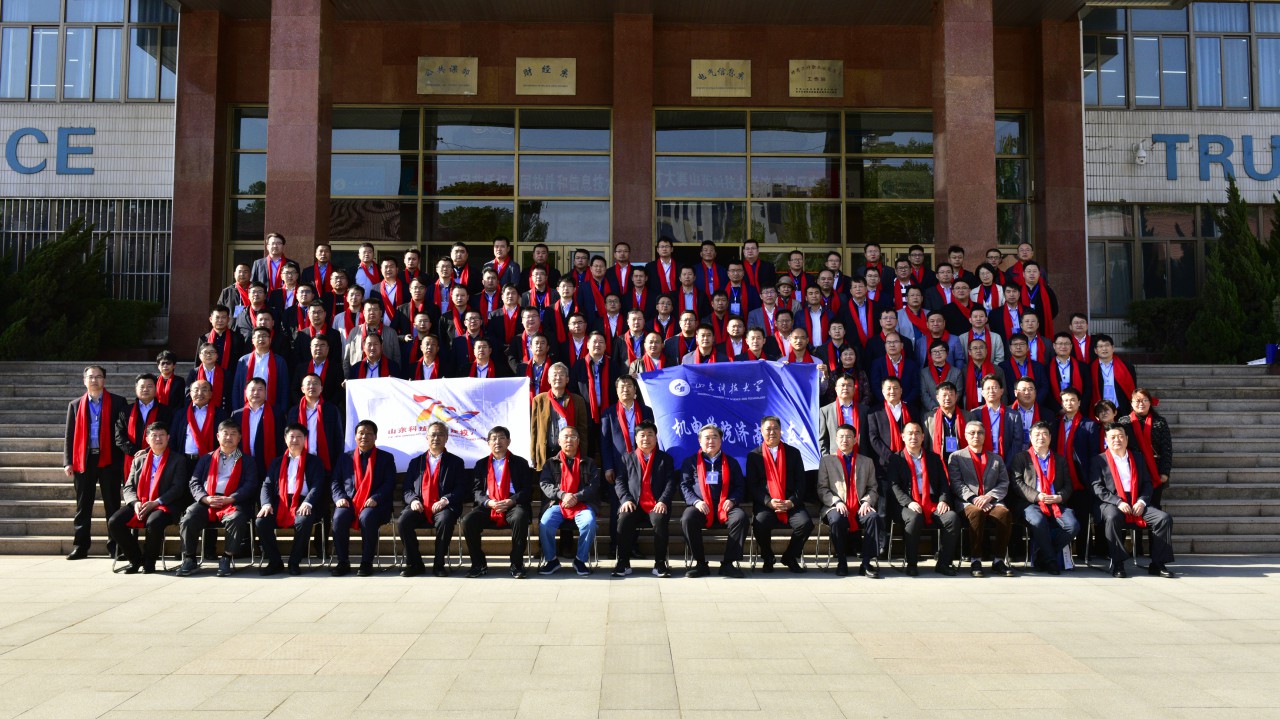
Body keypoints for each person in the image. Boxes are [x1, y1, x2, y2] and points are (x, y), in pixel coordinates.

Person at [1090, 424, 1176, 578]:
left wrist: (1142, 502)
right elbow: (1097, 488)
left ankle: (1157, 564)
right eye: (1113, 437)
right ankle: (1118, 564)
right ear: (1106, 440)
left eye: (1120, 436)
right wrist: (1118, 502)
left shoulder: (1138, 457)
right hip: (1111, 502)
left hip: (1136, 500)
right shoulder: (1098, 460)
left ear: (1127, 439)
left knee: (1164, 519)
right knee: (1113, 517)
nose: (1117, 440)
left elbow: (1147, 484)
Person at [107, 422, 191, 574]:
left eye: (162, 435)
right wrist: (135, 503)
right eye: (154, 436)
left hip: (165, 505)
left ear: (168, 438)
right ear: (147, 439)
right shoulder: (139, 460)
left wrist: (156, 502)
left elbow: (177, 488)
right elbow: (128, 487)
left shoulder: (178, 460)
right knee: (114, 522)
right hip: (140, 502)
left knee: (154, 522)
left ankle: (149, 561)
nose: (158, 439)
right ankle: (135, 559)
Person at [178, 420, 258, 577]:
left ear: (239, 438)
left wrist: (231, 498)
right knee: (189, 517)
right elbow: (194, 482)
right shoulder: (206, 458)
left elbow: (251, 484)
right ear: (218, 436)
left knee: (237, 518)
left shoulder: (248, 461)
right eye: (225, 433)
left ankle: (226, 558)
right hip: (207, 500)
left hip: (233, 502)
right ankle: (189, 558)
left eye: (233, 434)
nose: (229, 437)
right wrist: (204, 498)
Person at [64, 365, 127, 560]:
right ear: (84, 381)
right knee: (83, 506)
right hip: (84, 460)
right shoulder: (75, 404)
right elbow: (69, 435)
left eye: (98, 377)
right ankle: (81, 546)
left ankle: (115, 546)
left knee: (112, 505)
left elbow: (122, 431)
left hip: (109, 460)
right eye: (90, 377)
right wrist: (68, 461)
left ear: (104, 380)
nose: (94, 380)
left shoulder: (118, 402)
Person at [461, 426, 534, 578]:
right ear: (488, 443)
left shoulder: (520, 463)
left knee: (520, 517)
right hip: (489, 504)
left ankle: (516, 564)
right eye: (493, 439)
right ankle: (478, 564)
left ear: (508, 441)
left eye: (501, 438)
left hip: (512, 503)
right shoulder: (481, 464)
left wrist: (511, 500)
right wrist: (488, 502)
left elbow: (527, 489)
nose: (497, 442)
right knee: (468, 521)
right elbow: (476, 491)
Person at [398, 422, 469, 577]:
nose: (436, 438)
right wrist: (413, 500)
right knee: (403, 521)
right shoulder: (416, 462)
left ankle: (439, 565)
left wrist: (445, 500)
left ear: (446, 438)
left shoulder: (455, 462)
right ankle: (415, 564)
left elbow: (461, 488)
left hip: (443, 506)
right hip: (420, 506)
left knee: (445, 520)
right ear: (427, 437)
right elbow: (407, 489)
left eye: (440, 435)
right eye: (433, 435)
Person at [255, 423, 326, 575]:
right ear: (285, 439)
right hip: (280, 501)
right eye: (291, 436)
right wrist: (266, 504)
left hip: (303, 501)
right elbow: (266, 485)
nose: (295, 440)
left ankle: (294, 562)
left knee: (304, 521)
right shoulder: (277, 462)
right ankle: (275, 561)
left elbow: (318, 485)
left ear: (305, 439)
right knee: (261, 521)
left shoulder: (314, 461)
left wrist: (308, 502)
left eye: (299, 436)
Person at [888, 422, 959, 575]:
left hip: (932, 502)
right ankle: (912, 564)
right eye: (910, 433)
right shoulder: (895, 459)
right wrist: (909, 502)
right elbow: (895, 487)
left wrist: (943, 500)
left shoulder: (934, 458)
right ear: (903, 437)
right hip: (906, 503)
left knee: (951, 518)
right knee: (914, 518)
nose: (913, 436)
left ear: (923, 437)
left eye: (917, 433)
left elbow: (944, 483)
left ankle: (944, 563)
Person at [1008, 421, 1079, 574]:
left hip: (1055, 503)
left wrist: (1059, 497)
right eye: (1037, 434)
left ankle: (1043, 555)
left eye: (1044, 434)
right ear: (1030, 438)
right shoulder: (1021, 458)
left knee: (1072, 525)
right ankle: (1051, 561)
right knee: (1039, 521)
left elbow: (1068, 484)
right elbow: (1017, 483)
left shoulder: (1059, 459)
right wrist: (1037, 496)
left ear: (1050, 437)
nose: (1041, 437)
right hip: (1030, 502)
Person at [679, 424, 748, 578]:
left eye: (715, 437)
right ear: (700, 441)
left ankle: (728, 564)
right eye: (707, 438)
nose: (711, 441)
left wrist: (732, 500)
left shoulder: (731, 462)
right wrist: (696, 502)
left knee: (741, 518)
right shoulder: (690, 462)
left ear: (721, 440)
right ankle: (700, 564)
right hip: (701, 506)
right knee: (687, 518)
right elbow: (684, 486)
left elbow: (740, 486)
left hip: (725, 506)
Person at [330, 419, 397, 576]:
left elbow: (390, 483)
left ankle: (366, 562)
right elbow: (335, 481)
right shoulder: (345, 458)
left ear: (375, 437)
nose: (364, 436)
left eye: (369, 433)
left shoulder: (386, 458)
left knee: (367, 517)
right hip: (349, 502)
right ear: (355, 437)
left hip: (375, 504)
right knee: (339, 517)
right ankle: (343, 562)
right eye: (361, 433)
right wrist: (339, 497)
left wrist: (376, 498)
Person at [948, 421, 1014, 577]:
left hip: (992, 501)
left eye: (980, 433)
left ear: (985, 436)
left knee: (1004, 514)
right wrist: (974, 499)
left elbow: (1004, 482)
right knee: (976, 513)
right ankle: (975, 560)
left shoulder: (996, 458)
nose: (976, 436)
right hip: (967, 502)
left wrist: (989, 497)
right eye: (972, 433)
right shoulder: (956, 457)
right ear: (965, 436)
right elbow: (956, 483)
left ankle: (998, 560)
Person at [747, 416, 813, 574]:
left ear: (781, 430)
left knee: (806, 524)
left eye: (775, 428)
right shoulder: (754, 456)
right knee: (759, 524)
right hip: (767, 504)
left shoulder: (793, 453)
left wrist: (791, 502)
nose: (772, 432)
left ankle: (790, 557)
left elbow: (801, 482)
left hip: (790, 503)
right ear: (761, 431)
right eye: (768, 429)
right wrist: (768, 501)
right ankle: (768, 557)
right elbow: (752, 485)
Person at [612, 421, 677, 578]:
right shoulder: (627, 458)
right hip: (634, 503)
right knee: (624, 518)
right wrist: (626, 499)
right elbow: (619, 481)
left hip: (656, 504)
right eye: (642, 435)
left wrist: (663, 501)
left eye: (650, 435)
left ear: (656, 437)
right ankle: (623, 562)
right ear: (636, 438)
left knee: (660, 519)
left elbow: (670, 483)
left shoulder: (665, 459)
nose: (646, 438)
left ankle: (660, 563)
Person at [600, 375, 654, 558]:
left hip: (641, 464)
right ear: (616, 391)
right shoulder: (609, 413)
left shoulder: (646, 411)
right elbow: (605, 443)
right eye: (622, 386)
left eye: (629, 386)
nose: (626, 389)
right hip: (618, 466)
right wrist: (608, 467)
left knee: (636, 504)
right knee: (618, 506)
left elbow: (652, 438)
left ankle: (632, 545)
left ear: (635, 389)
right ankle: (615, 545)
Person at [817, 423, 881, 577]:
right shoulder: (827, 461)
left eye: (848, 437)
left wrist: (867, 501)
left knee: (873, 517)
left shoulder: (866, 462)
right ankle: (841, 562)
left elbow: (873, 488)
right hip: (835, 506)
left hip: (859, 506)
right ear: (836, 439)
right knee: (836, 519)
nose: (844, 440)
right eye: (841, 437)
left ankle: (866, 563)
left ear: (855, 439)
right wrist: (836, 501)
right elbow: (822, 488)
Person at [538, 426, 600, 576]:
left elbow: (594, 486)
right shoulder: (550, 463)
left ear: (578, 441)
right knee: (545, 523)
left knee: (589, 522)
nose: (569, 440)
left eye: (573, 437)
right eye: (565, 437)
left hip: (583, 504)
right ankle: (551, 560)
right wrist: (563, 495)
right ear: (559, 441)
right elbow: (545, 484)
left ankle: (580, 560)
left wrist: (576, 497)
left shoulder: (589, 463)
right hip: (558, 504)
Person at [1117, 388, 1173, 508]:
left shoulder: (1160, 422)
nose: (1141, 403)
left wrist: (1164, 472)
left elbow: (1166, 448)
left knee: (1154, 504)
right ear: (1131, 403)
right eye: (1137, 401)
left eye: (1145, 400)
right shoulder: (1124, 422)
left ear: (1150, 402)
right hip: (1132, 468)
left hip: (1154, 469)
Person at [529, 363, 589, 471]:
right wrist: (533, 455)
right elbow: (534, 431)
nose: (558, 378)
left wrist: (583, 455)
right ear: (548, 380)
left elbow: (582, 431)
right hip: (546, 451)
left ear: (567, 379)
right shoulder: (539, 400)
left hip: (570, 452)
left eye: (561, 375)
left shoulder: (577, 400)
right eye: (555, 375)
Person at [114, 373, 173, 480]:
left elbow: (169, 434)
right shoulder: (126, 411)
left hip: (158, 457)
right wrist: (135, 452)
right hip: (131, 458)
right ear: (136, 389)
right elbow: (119, 436)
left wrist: (147, 451)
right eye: (142, 387)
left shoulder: (166, 411)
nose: (145, 389)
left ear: (156, 388)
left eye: (149, 386)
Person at [228, 377, 282, 479]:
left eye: (260, 389)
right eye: (252, 389)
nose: (256, 393)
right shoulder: (237, 415)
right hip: (242, 461)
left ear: (265, 392)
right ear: (246, 392)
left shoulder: (276, 414)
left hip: (267, 463)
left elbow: (280, 440)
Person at [232, 326, 290, 419]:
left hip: (272, 408)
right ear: (252, 340)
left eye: (264, 336)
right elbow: (237, 386)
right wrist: (237, 409)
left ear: (270, 340)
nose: (261, 339)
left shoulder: (279, 361)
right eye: (258, 336)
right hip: (247, 408)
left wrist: (282, 410)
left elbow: (285, 387)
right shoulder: (243, 361)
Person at [296, 372, 342, 473]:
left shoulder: (331, 410)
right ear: (302, 389)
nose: (312, 386)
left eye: (315, 383)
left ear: (321, 389)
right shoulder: (294, 411)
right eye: (308, 383)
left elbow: (338, 438)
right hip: (299, 461)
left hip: (324, 461)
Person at [170, 379, 224, 462]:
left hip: (210, 460)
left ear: (210, 394)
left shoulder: (220, 414)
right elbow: (173, 438)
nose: (200, 393)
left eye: (204, 390)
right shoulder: (181, 414)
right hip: (184, 460)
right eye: (196, 390)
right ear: (190, 394)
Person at [819, 374, 870, 456]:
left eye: (849, 385)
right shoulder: (825, 411)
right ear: (836, 389)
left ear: (854, 389)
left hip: (860, 457)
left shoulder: (865, 410)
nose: (845, 388)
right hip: (835, 458)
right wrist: (827, 459)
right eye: (842, 385)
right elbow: (823, 439)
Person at [978, 375, 1026, 461]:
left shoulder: (1014, 415)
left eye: (995, 388)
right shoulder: (975, 413)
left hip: (1006, 460)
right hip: (981, 461)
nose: (991, 391)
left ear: (1001, 391)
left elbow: (1017, 443)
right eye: (988, 388)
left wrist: (1007, 464)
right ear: (982, 392)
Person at [1090, 334, 1137, 415]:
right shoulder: (1089, 369)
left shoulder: (1127, 367)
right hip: (1100, 411)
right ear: (1095, 350)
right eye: (1100, 346)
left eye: (1107, 345)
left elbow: (1133, 389)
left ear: (1113, 348)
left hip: (1122, 409)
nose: (1104, 349)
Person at [923, 381, 969, 462]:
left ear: (956, 397)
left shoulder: (968, 416)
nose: (947, 398)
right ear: (937, 398)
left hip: (963, 460)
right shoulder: (929, 418)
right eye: (944, 395)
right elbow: (926, 444)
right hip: (938, 460)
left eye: (951, 395)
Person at [1048, 332, 1091, 411]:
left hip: (1078, 410)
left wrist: (1079, 407)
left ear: (1071, 346)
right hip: (1056, 412)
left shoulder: (1082, 367)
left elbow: (1088, 389)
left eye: (1066, 344)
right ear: (1054, 346)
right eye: (1060, 343)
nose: (1063, 346)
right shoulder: (1047, 368)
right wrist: (1058, 409)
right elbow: (1047, 392)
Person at [199, 304, 245, 372]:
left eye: (223, 317)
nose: (220, 320)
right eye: (217, 317)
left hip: (231, 375)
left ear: (228, 319)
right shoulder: (204, 339)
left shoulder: (237, 338)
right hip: (208, 375)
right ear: (211, 319)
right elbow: (198, 362)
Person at [920, 340, 961, 414]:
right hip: (930, 412)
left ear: (947, 353)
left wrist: (947, 406)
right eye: (934, 351)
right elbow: (923, 393)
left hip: (951, 411)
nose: (937, 353)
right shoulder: (923, 372)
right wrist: (933, 407)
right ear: (930, 355)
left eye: (941, 350)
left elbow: (958, 392)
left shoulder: (956, 372)